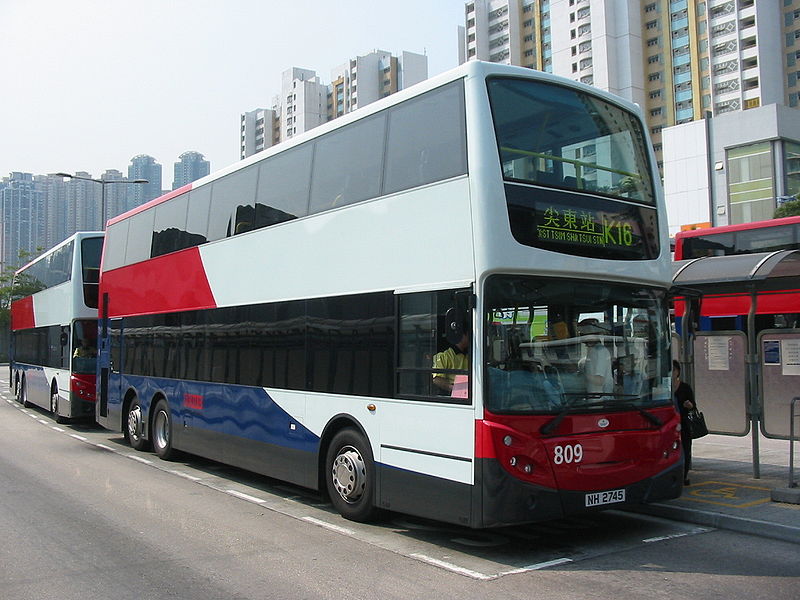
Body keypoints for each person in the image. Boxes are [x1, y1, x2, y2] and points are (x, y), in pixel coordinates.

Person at [672, 359, 696, 486]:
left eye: (674, 370)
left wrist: (689, 405)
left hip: (683, 423)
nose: (672, 373)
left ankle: (684, 475)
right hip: (670, 424)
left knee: (685, 450)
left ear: (678, 372)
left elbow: (693, 406)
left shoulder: (685, 387)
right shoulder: (663, 386)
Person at [578, 319, 613, 396]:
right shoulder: (592, 351)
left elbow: (599, 380)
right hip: (593, 399)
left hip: (601, 400)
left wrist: (580, 376)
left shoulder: (600, 351)